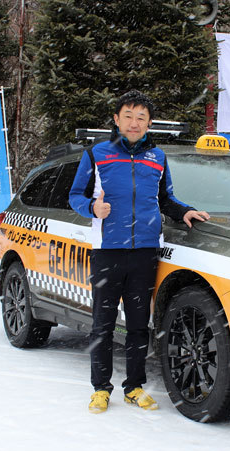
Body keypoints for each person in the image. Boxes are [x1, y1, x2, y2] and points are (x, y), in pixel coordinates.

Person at [69, 90, 210, 414]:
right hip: (108, 251)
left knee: (138, 324)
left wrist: (184, 211)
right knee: (102, 324)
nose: (134, 123)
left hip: (145, 252)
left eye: (141, 118)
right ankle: (100, 389)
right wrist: (92, 208)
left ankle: (134, 386)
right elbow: (75, 195)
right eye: (128, 116)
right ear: (117, 120)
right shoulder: (96, 154)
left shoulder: (157, 157)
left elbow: (165, 198)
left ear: (149, 123)